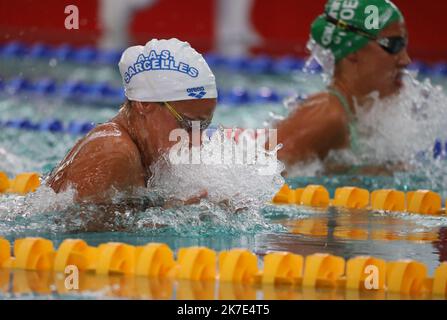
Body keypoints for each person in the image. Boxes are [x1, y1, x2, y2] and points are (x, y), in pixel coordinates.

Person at [46, 38, 217, 203]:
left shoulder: (149, 154)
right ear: (145, 103)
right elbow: (79, 230)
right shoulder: (114, 152)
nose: (198, 142)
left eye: (203, 126)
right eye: (187, 124)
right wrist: (174, 214)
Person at [275, 0, 411, 168]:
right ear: (353, 50)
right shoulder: (327, 117)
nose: (405, 60)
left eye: (404, 45)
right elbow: (250, 182)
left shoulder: (360, 116)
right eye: (393, 45)